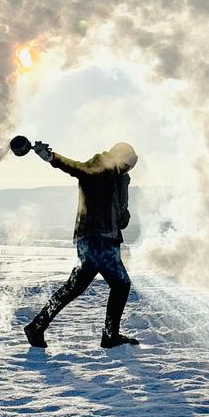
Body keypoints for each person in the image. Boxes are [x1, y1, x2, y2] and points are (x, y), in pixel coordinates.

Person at [23, 141, 140, 349]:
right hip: (100, 238)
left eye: (129, 168)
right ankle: (110, 336)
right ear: (118, 158)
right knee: (121, 285)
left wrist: (124, 216)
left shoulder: (120, 179)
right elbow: (74, 167)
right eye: (126, 165)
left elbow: (121, 213)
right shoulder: (98, 168)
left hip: (95, 239)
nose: (127, 170)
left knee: (74, 287)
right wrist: (50, 157)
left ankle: (37, 326)